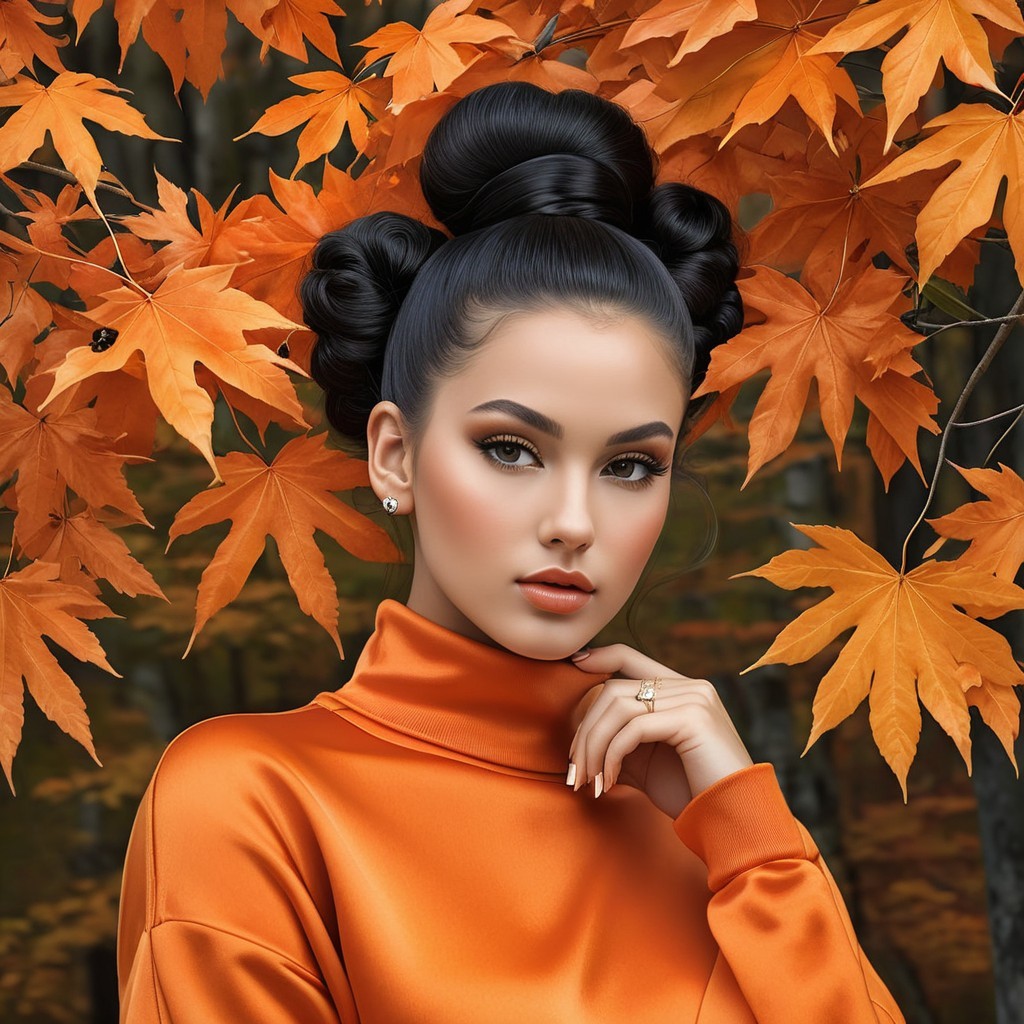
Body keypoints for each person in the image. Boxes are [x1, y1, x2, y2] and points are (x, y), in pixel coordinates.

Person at [116, 80, 906, 1023]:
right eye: (511, 449)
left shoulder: (708, 835)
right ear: (394, 454)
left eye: (629, 465)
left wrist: (752, 834)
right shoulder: (248, 800)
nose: (574, 519)